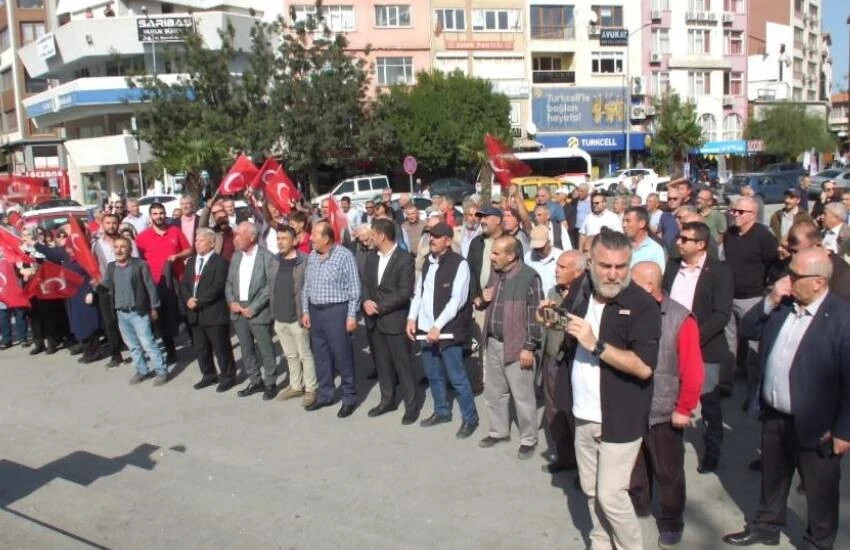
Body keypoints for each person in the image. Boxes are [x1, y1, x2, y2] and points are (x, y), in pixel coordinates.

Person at [723, 248, 850, 549]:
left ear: (818, 282)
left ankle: (818, 542)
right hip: (775, 414)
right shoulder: (783, 305)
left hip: (818, 423)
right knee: (773, 477)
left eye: (794, 275)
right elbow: (749, 328)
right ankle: (767, 526)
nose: (786, 279)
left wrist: (845, 430)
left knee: (820, 490)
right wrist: (769, 301)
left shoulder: (842, 318)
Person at [564, 228, 661, 550]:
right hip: (583, 411)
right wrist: (553, 319)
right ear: (591, 262)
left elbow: (643, 366)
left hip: (619, 416)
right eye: (605, 265)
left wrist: (596, 344)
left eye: (621, 266)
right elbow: (568, 321)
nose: (613, 274)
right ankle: (601, 543)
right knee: (591, 491)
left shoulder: (641, 305)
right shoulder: (582, 287)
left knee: (611, 494)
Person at [629, 261, 704, 549]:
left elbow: (693, 370)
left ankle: (672, 521)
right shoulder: (631, 311)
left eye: (633, 281)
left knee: (668, 471)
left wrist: (684, 408)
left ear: (649, 286)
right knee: (637, 463)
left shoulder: (679, 318)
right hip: (636, 404)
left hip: (665, 408)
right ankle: (640, 502)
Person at [664, 221, 734, 474]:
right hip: (670, 347)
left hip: (705, 347)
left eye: (684, 239)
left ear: (701, 244)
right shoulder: (672, 267)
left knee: (708, 403)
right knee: (673, 399)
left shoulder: (720, 271)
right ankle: (672, 448)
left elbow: (721, 314)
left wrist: (691, 340)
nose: (678, 242)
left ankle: (712, 452)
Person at [407, 222, 479, 438]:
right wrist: (412, 318)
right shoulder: (427, 263)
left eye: (437, 237)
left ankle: (470, 418)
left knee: (457, 378)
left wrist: (438, 326)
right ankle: (442, 411)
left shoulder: (460, 265)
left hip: (448, 332)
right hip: (425, 330)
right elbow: (418, 293)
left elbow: (457, 300)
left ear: (448, 241)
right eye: (430, 236)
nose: (432, 240)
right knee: (433, 375)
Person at [475, 235, 543, 459]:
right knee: (495, 392)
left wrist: (529, 346)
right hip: (493, 341)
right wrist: (481, 300)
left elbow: (537, 316)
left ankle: (528, 439)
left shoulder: (529, 278)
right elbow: (483, 300)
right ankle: (498, 431)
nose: (491, 257)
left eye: (496, 253)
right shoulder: (496, 274)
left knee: (523, 396)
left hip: (517, 346)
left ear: (511, 256)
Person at [301, 220, 361, 417]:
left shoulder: (344, 256)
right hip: (316, 312)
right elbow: (306, 286)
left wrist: (351, 315)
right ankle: (326, 394)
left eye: (315, 235)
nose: (310, 238)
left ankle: (349, 397)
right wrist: (306, 311)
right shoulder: (312, 256)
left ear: (326, 238)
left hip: (337, 311)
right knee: (321, 356)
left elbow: (354, 289)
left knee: (342, 356)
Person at [361, 219, 418, 423]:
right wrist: (366, 300)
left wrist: (379, 306)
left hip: (394, 320)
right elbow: (366, 283)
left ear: (382, 236)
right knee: (383, 364)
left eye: (373, 234)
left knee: (402, 365)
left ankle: (411, 406)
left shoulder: (404, 259)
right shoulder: (371, 257)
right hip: (374, 322)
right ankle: (387, 400)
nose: (370, 238)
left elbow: (404, 292)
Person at [723, 196, 779, 404]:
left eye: (740, 212)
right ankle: (726, 384)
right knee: (729, 343)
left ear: (753, 215)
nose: (734, 215)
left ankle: (754, 393)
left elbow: (772, 262)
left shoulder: (763, 236)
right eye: (733, 211)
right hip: (729, 296)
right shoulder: (730, 235)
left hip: (752, 298)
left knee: (754, 347)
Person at [537, 250, 587, 473]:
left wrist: (549, 315)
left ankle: (583, 467)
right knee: (554, 412)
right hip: (551, 360)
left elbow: (571, 325)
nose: (556, 270)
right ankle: (565, 457)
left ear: (578, 272)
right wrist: (544, 315)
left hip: (571, 362)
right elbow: (548, 324)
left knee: (574, 414)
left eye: (562, 267)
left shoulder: (586, 296)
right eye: (557, 266)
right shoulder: (553, 292)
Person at [101, 236, 168, 386]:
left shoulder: (140, 265)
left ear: (130, 250)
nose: (119, 250)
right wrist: (94, 288)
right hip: (121, 312)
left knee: (148, 343)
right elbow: (105, 285)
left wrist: (154, 307)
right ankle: (142, 370)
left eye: (123, 247)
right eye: (116, 247)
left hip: (139, 311)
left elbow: (150, 287)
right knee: (132, 345)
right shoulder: (111, 267)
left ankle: (161, 371)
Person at [225, 222, 278, 400]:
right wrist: (231, 301)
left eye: (240, 234)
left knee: (265, 348)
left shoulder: (267, 257)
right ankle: (255, 381)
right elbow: (229, 283)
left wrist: (253, 307)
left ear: (252, 237)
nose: (236, 238)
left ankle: (270, 382)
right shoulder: (236, 257)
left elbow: (269, 287)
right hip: (238, 310)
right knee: (246, 350)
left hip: (258, 311)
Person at [179, 228, 236, 393]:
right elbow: (184, 284)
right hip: (195, 314)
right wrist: (188, 298)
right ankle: (208, 374)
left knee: (221, 347)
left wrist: (198, 302)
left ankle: (228, 376)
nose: (197, 244)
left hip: (213, 312)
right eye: (196, 241)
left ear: (212, 243)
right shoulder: (192, 261)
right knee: (201, 347)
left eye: (201, 241)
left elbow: (218, 287)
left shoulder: (221, 262)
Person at [135, 202, 192, 364]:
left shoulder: (175, 231)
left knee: (186, 313)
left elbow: (189, 250)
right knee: (163, 318)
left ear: (165, 214)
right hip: (157, 283)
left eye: (161, 213)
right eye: (155, 213)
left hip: (178, 279)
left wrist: (178, 257)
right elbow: (139, 260)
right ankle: (171, 351)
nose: (159, 216)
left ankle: (198, 345)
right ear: (151, 216)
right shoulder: (142, 237)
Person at [270, 225, 317, 407]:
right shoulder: (275, 260)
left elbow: (310, 288)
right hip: (280, 317)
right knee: (290, 355)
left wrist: (306, 312)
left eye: (284, 238)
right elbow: (271, 285)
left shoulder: (305, 261)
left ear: (294, 241)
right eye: (278, 238)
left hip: (298, 317)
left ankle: (311, 389)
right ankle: (296, 385)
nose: (280, 242)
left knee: (305, 354)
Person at [92, 213, 133, 367]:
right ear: (103, 224)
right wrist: (95, 282)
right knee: (109, 322)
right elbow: (92, 264)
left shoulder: (127, 242)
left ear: (119, 224)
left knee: (128, 319)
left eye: (114, 223)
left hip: (124, 285)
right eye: (108, 223)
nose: (111, 226)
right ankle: (116, 355)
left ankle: (136, 350)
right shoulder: (97, 245)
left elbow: (135, 260)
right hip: (105, 287)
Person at [623, 206, 665, 272]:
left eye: (628, 221)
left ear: (642, 223)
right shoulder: (620, 245)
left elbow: (656, 278)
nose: (624, 225)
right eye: (623, 221)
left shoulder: (655, 250)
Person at [524, 225, 562, 295]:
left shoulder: (560, 257)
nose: (538, 251)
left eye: (541, 248)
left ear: (549, 242)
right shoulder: (528, 258)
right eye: (536, 248)